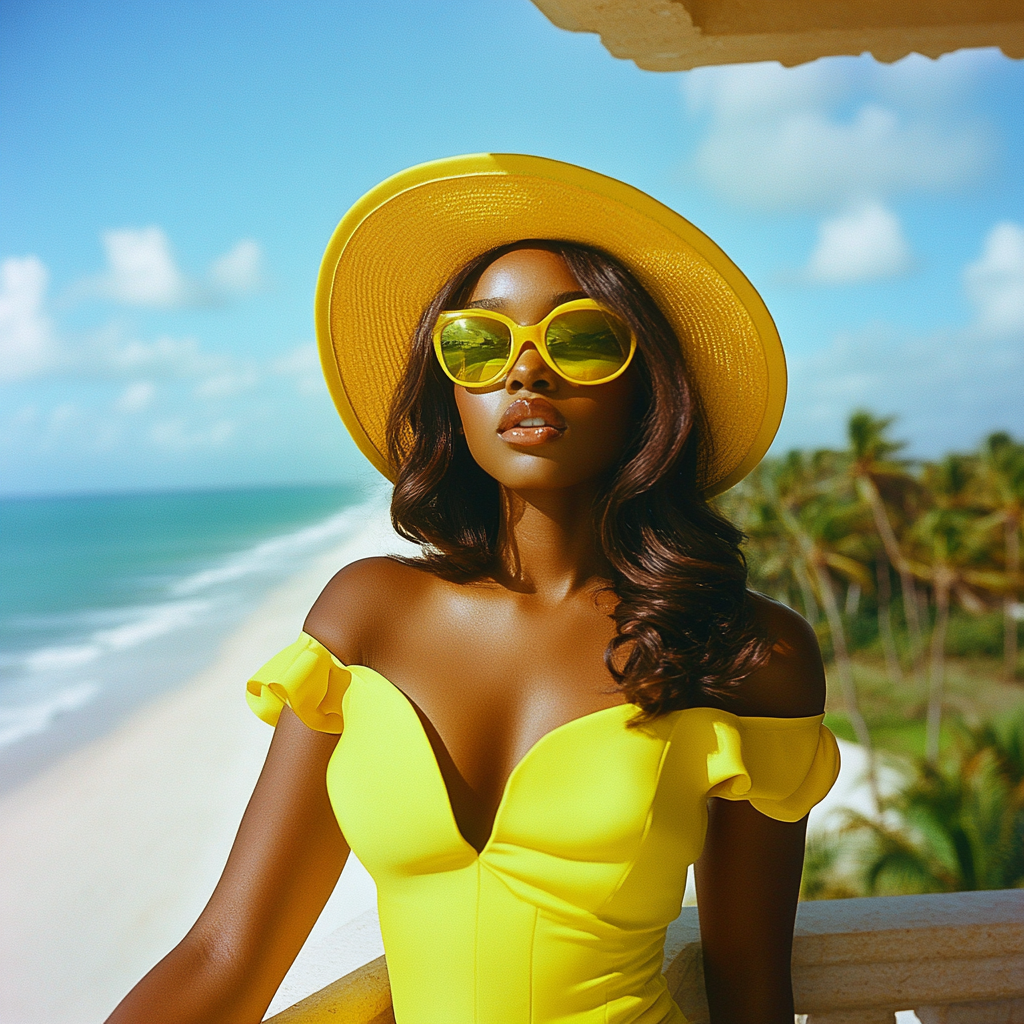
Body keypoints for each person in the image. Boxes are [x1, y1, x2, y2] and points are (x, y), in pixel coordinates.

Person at [107, 154, 839, 1024]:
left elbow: (751, 988)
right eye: (481, 345)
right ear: (449, 388)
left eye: (579, 339)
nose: (525, 374)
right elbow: (226, 955)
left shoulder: (745, 652)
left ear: (650, 387)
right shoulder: (367, 618)